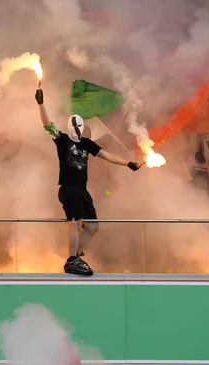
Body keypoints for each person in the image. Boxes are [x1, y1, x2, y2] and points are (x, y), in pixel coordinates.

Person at [35, 87, 142, 276]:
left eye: (80, 125)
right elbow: (46, 124)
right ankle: (71, 260)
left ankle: (75, 254)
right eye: (75, 125)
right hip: (68, 188)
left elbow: (108, 156)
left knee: (92, 226)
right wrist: (41, 103)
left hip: (82, 190)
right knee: (76, 223)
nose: (78, 128)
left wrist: (128, 164)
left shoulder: (87, 144)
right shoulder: (62, 140)